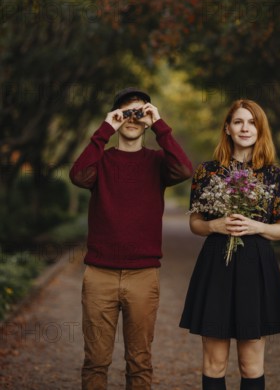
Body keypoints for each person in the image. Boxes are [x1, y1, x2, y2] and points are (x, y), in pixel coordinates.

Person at [69, 87, 193, 390]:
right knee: (95, 362)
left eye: (140, 112)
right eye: (126, 112)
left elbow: (184, 169)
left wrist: (160, 126)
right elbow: (78, 175)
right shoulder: (102, 161)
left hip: (143, 275)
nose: (133, 118)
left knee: (140, 363)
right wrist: (104, 130)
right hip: (99, 275)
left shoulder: (157, 162)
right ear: (116, 117)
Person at [179, 99, 280, 390]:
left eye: (252, 122)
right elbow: (195, 223)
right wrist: (214, 225)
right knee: (214, 363)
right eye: (239, 121)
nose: (245, 128)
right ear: (227, 128)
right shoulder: (207, 172)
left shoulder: (274, 175)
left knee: (250, 364)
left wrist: (257, 226)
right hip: (216, 264)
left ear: (260, 129)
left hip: (256, 267)